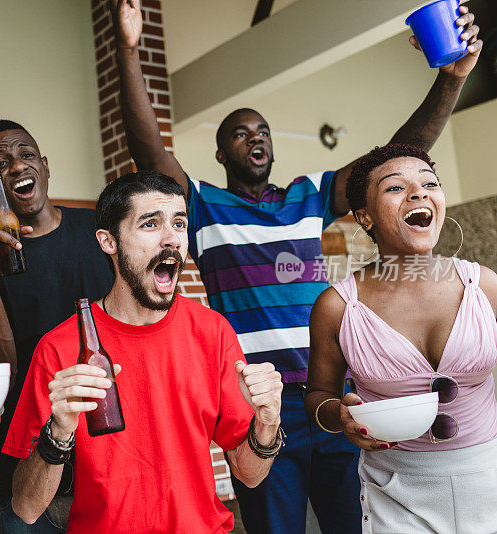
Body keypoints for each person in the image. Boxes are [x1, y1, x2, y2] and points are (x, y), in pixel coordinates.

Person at [110, 1, 483, 531]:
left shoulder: (309, 195)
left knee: (353, 524)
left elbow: (396, 161)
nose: (255, 137)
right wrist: (128, 50)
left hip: (333, 396)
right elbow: (148, 150)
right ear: (220, 153)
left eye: (261, 130)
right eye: (240, 133)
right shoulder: (202, 206)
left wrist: (449, 81)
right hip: (258, 405)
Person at [5, 171, 284, 533]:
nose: (171, 239)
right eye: (150, 224)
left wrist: (268, 422)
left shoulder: (213, 332)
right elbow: (25, 507)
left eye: (179, 224)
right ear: (109, 241)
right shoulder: (60, 349)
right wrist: (59, 430)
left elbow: (249, 475)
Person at [305, 143, 497, 533]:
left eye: (430, 183)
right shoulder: (337, 306)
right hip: (396, 491)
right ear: (365, 217)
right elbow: (318, 394)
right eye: (395, 188)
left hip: (489, 476)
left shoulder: (486, 286)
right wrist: (338, 416)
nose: (418, 193)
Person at [0, 120, 114, 532]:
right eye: (2, 164)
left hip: (110, 444)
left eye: (26, 155)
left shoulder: (99, 231)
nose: (18, 167)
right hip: (28, 450)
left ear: (44, 165)